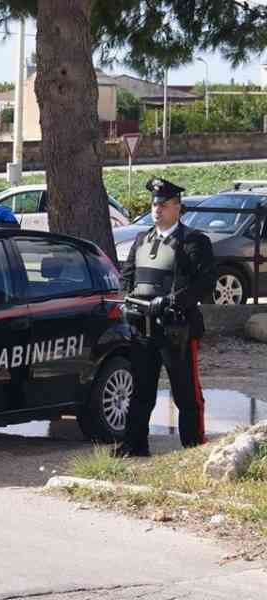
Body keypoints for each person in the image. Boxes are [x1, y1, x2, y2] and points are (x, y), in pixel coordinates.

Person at [116, 177, 216, 457]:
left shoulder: (193, 241)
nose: (156, 209)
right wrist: (129, 300)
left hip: (177, 329)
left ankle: (193, 450)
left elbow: (206, 283)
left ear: (177, 208)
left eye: (163, 205)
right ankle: (134, 446)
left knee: (186, 394)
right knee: (141, 391)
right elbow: (127, 276)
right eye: (154, 204)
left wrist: (171, 301)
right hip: (143, 328)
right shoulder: (141, 238)